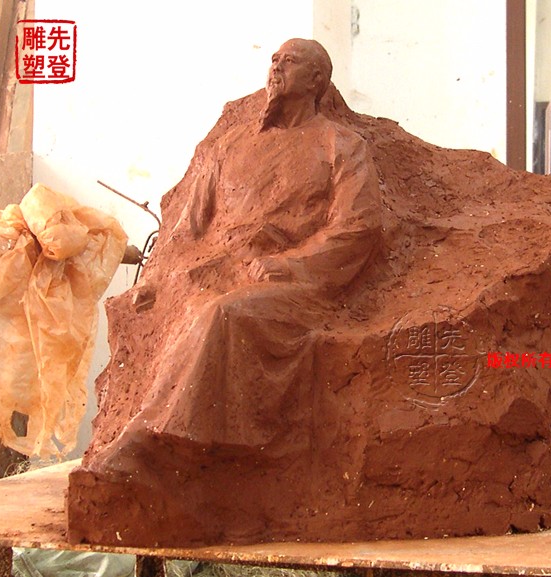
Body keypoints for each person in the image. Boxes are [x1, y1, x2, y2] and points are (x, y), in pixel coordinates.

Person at [68, 39, 382, 544]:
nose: (276, 66)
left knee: (226, 314)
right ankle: (170, 462)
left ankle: (150, 445)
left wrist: (287, 264)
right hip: (215, 273)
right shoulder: (230, 147)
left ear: (317, 80)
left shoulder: (340, 146)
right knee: (196, 308)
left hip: (296, 285)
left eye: (290, 61)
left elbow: (358, 228)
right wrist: (156, 279)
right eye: (273, 59)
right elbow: (185, 230)